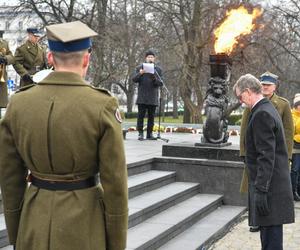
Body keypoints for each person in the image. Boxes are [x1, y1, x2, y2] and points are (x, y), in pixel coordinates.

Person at [0, 21, 128, 250]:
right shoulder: (102, 104)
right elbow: (115, 184)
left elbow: (10, 179)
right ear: (86, 59)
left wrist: (17, 232)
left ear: (50, 58)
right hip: (85, 224)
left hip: (34, 218)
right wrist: (116, 243)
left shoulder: (18, 103)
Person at [233, 74, 294, 250]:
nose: (241, 101)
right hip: (273, 186)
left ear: (248, 91)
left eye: (240, 96)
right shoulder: (266, 108)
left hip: (270, 189)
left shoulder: (262, 113)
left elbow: (266, 156)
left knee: (271, 242)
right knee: (270, 239)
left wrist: (260, 190)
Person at [132, 50, 163, 140]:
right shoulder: (139, 68)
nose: (150, 58)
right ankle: (140, 133)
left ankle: (149, 134)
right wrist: (140, 73)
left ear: (154, 58)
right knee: (140, 116)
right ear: (145, 58)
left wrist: (153, 77)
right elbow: (134, 79)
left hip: (152, 97)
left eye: (152, 57)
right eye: (149, 57)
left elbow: (160, 83)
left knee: (151, 117)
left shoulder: (158, 70)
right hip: (142, 96)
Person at [0, 30, 14, 111]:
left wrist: (5, 59)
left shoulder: (4, 43)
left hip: (1, 76)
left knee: (1, 104)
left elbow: (12, 57)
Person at [291, 93, 300, 201]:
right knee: (295, 170)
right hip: (295, 148)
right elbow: (291, 132)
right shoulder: (292, 116)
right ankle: (293, 191)